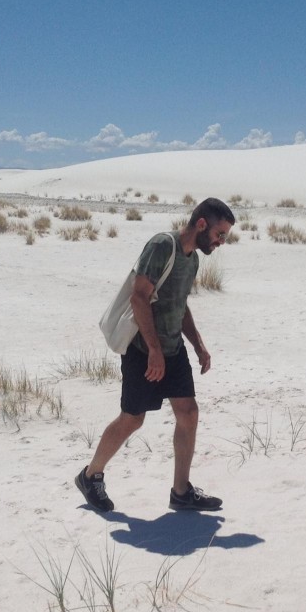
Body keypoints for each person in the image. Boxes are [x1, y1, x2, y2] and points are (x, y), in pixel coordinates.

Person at [76, 198, 235, 513]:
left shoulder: (192, 260)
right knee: (132, 419)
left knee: (188, 413)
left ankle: (181, 492)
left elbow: (180, 305)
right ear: (201, 224)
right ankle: (90, 475)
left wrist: (198, 345)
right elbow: (139, 297)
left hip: (172, 350)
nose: (221, 242)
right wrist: (153, 351)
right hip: (143, 350)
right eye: (220, 234)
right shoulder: (162, 246)